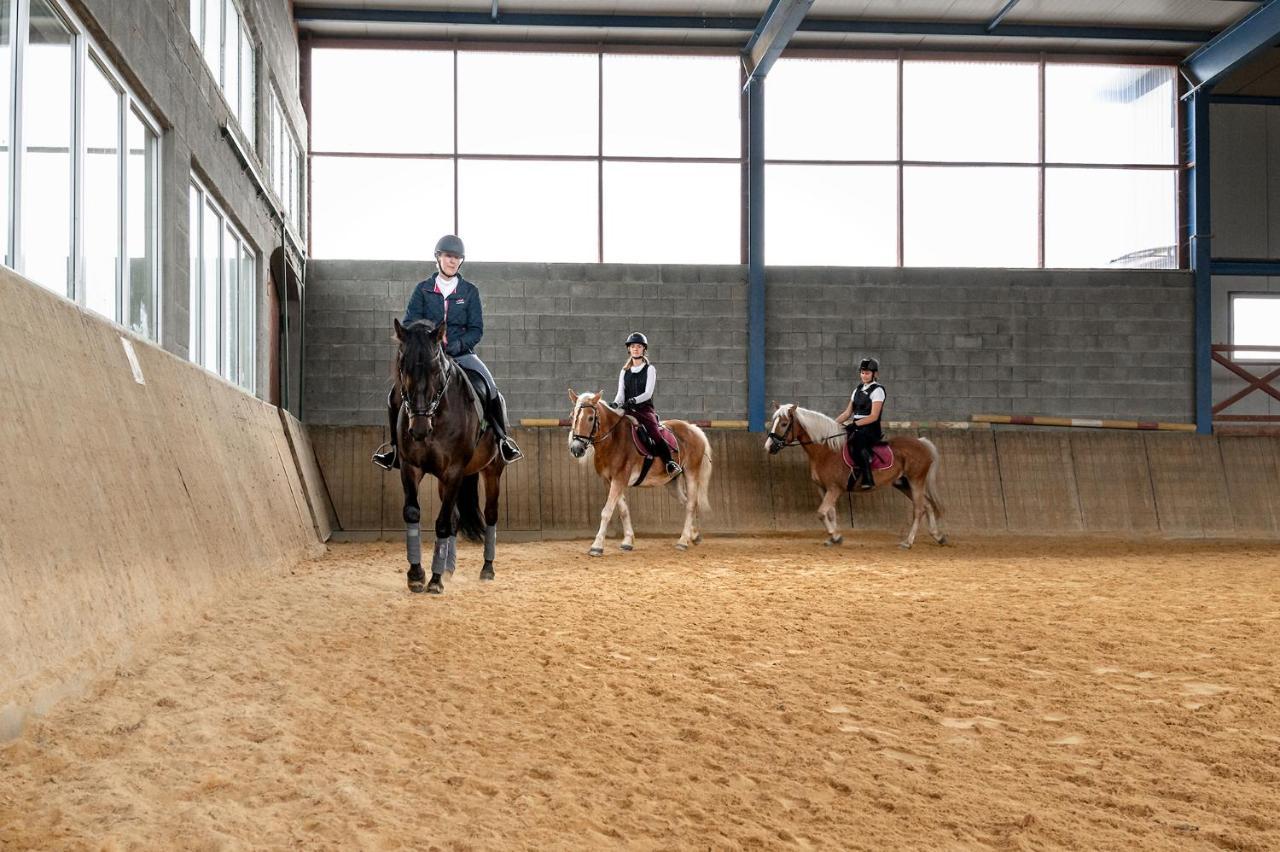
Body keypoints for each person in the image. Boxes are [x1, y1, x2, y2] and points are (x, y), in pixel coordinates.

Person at [372, 234, 522, 469]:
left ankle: (503, 441)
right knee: (394, 395)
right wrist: (428, 341)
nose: (452, 261)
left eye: (456, 258)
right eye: (448, 256)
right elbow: (410, 323)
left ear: (460, 261)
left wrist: (456, 345)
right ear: (438, 258)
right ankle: (394, 448)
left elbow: (476, 329)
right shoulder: (422, 290)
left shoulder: (469, 291)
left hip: (462, 354)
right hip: (429, 356)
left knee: (491, 387)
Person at [614, 332, 682, 476]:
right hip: (627, 410)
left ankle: (670, 462)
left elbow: (648, 393)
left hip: (644, 410)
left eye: (639, 346)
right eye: (633, 346)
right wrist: (615, 404)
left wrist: (633, 400)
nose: (635, 349)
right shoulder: (624, 371)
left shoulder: (649, 369)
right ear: (629, 349)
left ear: (644, 349)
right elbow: (620, 393)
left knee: (655, 434)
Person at [835, 357, 885, 491]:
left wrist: (855, 425)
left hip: (870, 429)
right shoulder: (857, 390)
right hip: (857, 427)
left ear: (875, 374)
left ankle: (868, 478)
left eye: (867, 373)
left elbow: (874, 416)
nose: (864, 375)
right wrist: (831, 425)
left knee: (857, 444)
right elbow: (846, 413)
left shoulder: (878, 390)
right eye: (862, 372)